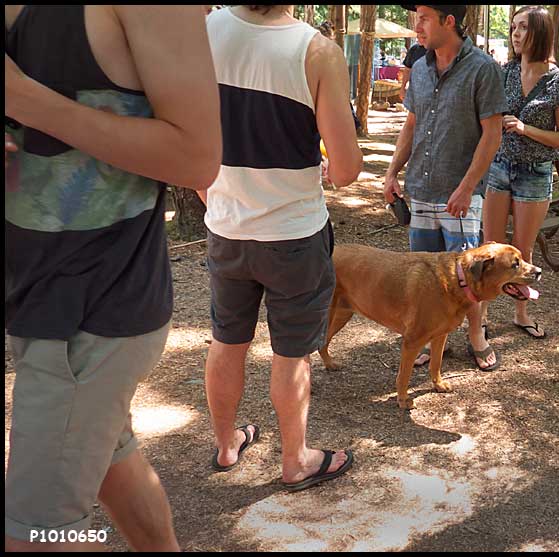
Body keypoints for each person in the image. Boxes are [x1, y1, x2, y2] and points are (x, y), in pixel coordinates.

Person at [4, 5, 221, 552]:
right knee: (109, 459)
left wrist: (27, 100)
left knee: (37, 534)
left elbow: (198, 158)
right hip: (33, 293)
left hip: (90, 306)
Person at [202, 5, 362, 492]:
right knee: (291, 353)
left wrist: (209, 194)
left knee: (227, 340)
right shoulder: (317, 52)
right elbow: (349, 168)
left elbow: (181, 127)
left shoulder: (204, 31)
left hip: (227, 228)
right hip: (294, 235)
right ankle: (295, 460)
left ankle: (228, 445)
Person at [385, 5, 507, 371]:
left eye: (424, 17)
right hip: (420, 189)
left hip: (460, 197)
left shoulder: (483, 68)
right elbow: (411, 125)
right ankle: (422, 335)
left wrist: (468, 187)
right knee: (423, 277)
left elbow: (492, 134)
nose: (416, 25)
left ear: (448, 21)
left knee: (472, 278)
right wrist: (392, 172)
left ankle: (476, 337)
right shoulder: (419, 67)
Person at [482, 6, 559, 342]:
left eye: (523, 27)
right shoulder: (505, 72)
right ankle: (481, 316)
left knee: (522, 252)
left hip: (535, 173)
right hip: (499, 166)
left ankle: (522, 314)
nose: (516, 34)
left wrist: (525, 129)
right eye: (513, 27)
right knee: (489, 249)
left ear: (540, 32)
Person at [399, 37, 427, 102]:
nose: (419, 36)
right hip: (415, 91)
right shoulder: (414, 49)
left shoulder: (436, 50)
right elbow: (407, 70)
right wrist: (403, 88)